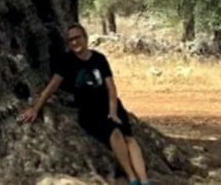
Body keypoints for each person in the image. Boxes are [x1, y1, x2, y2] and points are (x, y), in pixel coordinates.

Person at [19, 23, 150, 185]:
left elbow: (111, 87)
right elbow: (51, 88)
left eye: (77, 38)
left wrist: (113, 111)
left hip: (110, 105)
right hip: (90, 111)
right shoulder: (67, 61)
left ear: (85, 38)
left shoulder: (99, 59)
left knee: (130, 138)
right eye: (70, 40)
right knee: (115, 133)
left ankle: (145, 181)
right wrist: (35, 109)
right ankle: (132, 177)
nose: (74, 42)